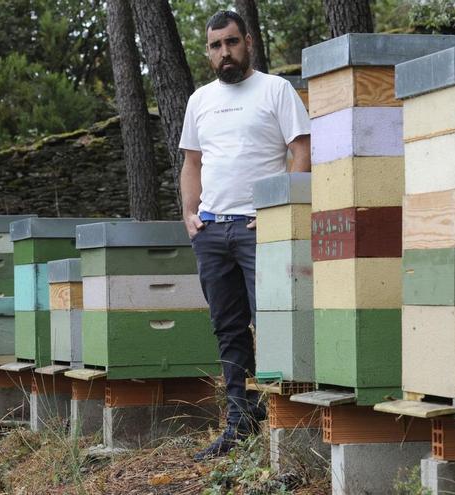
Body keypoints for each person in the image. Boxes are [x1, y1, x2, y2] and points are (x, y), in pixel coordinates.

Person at [179, 10, 311, 461]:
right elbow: (192, 163)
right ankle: (238, 419)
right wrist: (189, 214)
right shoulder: (199, 100)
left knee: (271, 322)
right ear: (209, 51)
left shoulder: (276, 89)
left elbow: (301, 151)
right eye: (216, 46)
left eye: (231, 43)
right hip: (212, 231)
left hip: (261, 228)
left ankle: (283, 419)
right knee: (228, 328)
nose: (224, 53)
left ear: (247, 42)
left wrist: (282, 208)